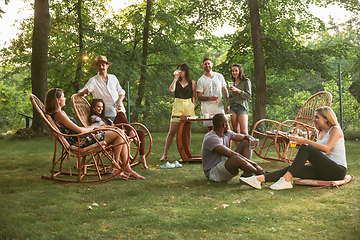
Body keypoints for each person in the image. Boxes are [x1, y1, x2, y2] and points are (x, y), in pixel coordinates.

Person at [45, 88, 144, 180]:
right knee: (119, 132)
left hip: (83, 138)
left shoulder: (59, 113)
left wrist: (92, 128)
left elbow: (77, 129)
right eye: (63, 96)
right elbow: (78, 131)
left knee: (120, 134)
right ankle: (118, 168)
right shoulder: (59, 114)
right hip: (81, 141)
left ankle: (124, 169)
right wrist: (92, 129)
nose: (65, 98)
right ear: (57, 100)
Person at [240, 106, 347, 190]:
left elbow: (326, 148)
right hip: (324, 170)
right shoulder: (320, 132)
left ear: (326, 119)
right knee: (292, 168)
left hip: (337, 171)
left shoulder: (335, 130)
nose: (313, 119)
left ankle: (286, 181)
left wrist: (304, 141)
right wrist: (300, 149)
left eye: (316, 117)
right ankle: (258, 179)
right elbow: (320, 155)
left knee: (306, 147)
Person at [201, 113, 264, 182]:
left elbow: (244, 137)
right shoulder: (211, 138)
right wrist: (255, 165)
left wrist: (252, 139)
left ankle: (247, 174)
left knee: (246, 142)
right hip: (213, 173)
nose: (229, 125)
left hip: (224, 164)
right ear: (224, 125)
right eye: (227, 122)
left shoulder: (226, 133)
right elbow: (230, 154)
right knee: (236, 158)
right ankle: (260, 173)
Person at [88, 98, 148, 169]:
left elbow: (112, 126)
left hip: (115, 131)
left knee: (141, 132)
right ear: (93, 108)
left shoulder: (104, 118)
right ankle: (131, 132)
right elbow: (105, 127)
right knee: (120, 114)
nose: (101, 108)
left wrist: (121, 127)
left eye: (102, 107)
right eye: (98, 107)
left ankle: (142, 157)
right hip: (110, 135)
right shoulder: (93, 117)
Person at [159, 63, 197, 163]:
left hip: (188, 105)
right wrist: (175, 78)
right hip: (178, 105)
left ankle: (186, 154)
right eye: (178, 70)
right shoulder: (176, 81)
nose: (179, 72)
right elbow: (171, 90)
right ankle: (165, 155)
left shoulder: (192, 82)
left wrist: (193, 105)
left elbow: (195, 95)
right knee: (172, 131)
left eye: (181, 70)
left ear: (185, 71)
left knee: (187, 131)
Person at [78, 55, 126, 121]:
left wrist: (119, 101)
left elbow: (121, 91)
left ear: (107, 66)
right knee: (116, 131)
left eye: (103, 65)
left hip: (121, 111)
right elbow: (80, 93)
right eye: (99, 65)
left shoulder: (113, 78)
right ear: (97, 67)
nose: (101, 67)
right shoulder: (93, 80)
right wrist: (84, 92)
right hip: (107, 115)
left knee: (126, 130)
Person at [197, 58, 228, 131]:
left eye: (208, 63)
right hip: (207, 108)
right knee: (210, 128)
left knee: (224, 126)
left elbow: (224, 90)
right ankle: (211, 142)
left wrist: (227, 103)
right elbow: (199, 97)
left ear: (212, 64)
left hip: (218, 106)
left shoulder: (219, 76)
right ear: (202, 66)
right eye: (205, 64)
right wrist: (209, 98)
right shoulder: (201, 80)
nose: (207, 65)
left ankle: (224, 142)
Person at [226, 63, 251, 136]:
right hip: (233, 108)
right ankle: (238, 148)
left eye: (236, 71)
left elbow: (248, 95)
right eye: (233, 71)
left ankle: (246, 147)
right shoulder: (232, 83)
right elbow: (231, 97)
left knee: (244, 132)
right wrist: (227, 105)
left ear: (240, 71)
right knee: (235, 132)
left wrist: (237, 90)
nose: (234, 72)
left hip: (242, 107)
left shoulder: (246, 81)